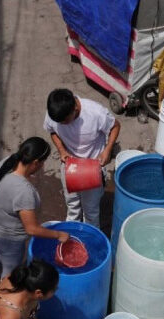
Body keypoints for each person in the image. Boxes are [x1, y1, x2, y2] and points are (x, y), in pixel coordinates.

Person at [0, 137, 70, 279]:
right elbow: (32, 229)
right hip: (9, 238)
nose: (42, 166)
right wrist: (59, 235)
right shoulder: (24, 192)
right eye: (43, 162)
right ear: (36, 162)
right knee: (11, 270)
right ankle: (2, 293)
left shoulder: (7, 162)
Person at [44, 88, 120, 228]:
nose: (62, 124)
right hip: (69, 166)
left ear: (75, 108)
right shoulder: (55, 113)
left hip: (92, 168)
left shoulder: (95, 113)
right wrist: (61, 150)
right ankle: (73, 235)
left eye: (65, 121)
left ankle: (89, 240)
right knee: (72, 207)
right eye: (59, 122)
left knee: (91, 212)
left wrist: (107, 150)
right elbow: (52, 131)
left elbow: (115, 126)